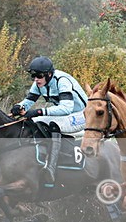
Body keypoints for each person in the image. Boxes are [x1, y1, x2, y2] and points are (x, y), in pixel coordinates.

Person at [11, 55, 87, 184]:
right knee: (34, 122)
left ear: (49, 74)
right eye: (33, 76)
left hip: (82, 115)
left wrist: (39, 111)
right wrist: (19, 107)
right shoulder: (39, 83)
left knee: (53, 124)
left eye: (39, 76)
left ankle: (51, 168)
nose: (36, 80)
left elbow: (66, 108)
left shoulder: (62, 81)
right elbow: (29, 101)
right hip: (66, 115)